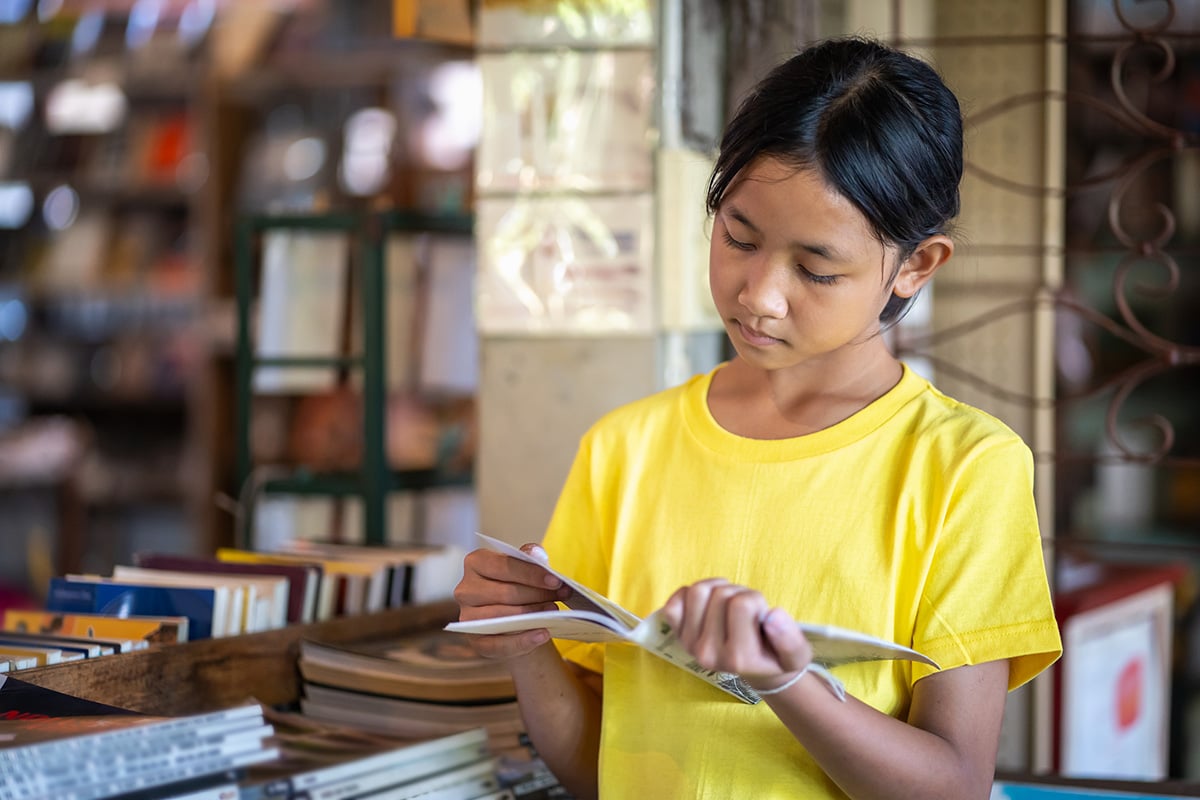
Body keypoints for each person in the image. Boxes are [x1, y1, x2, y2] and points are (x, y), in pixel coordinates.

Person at [454, 36, 1062, 800]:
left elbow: (954, 787)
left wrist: (785, 680)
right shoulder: (626, 448)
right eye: (738, 236)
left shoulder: (963, 465)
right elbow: (596, 773)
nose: (759, 295)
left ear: (916, 265)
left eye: (816, 268)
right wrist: (527, 645)